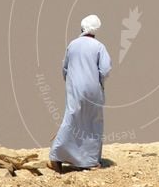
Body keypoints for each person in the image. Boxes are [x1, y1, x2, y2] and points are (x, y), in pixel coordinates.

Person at [48, 14, 112, 172]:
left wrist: (70, 82)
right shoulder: (99, 46)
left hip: (74, 88)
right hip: (93, 89)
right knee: (93, 122)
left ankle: (56, 157)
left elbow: (65, 68)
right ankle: (90, 161)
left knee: (71, 118)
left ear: (82, 28)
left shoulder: (72, 44)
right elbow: (105, 69)